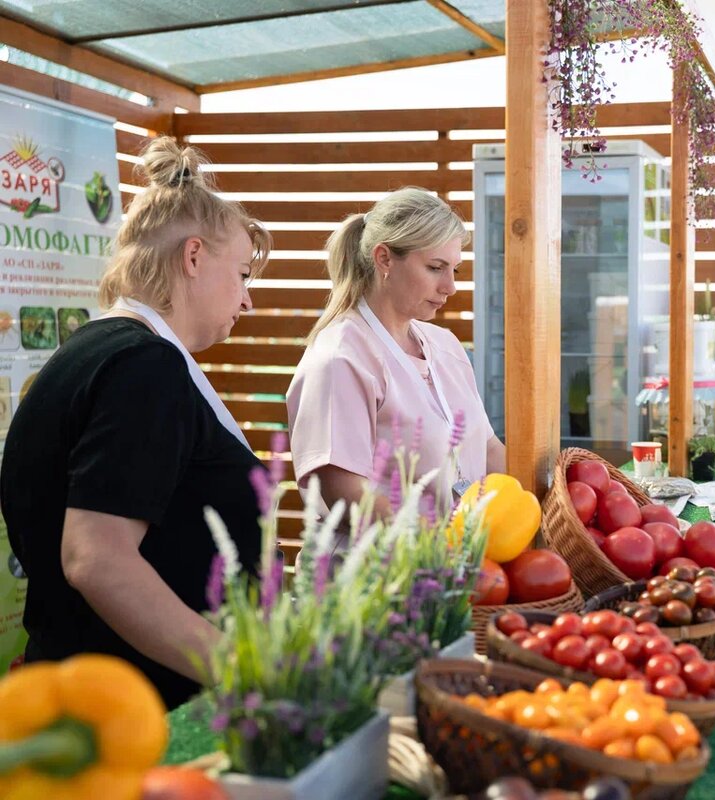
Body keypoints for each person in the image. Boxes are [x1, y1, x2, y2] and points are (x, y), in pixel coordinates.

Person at [0, 138, 271, 707]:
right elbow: (96, 557)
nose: (247, 301)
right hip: (134, 713)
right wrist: (245, 668)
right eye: (243, 275)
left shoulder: (98, 348)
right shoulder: (147, 365)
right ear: (193, 257)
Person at [287, 188, 504, 521]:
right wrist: (431, 543)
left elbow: (488, 450)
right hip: (378, 567)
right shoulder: (340, 358)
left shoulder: (445, 346)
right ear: (384, 258)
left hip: (456, 563)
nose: (451, 287)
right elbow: (342, 488)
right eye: (435, 267)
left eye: (454, 270)